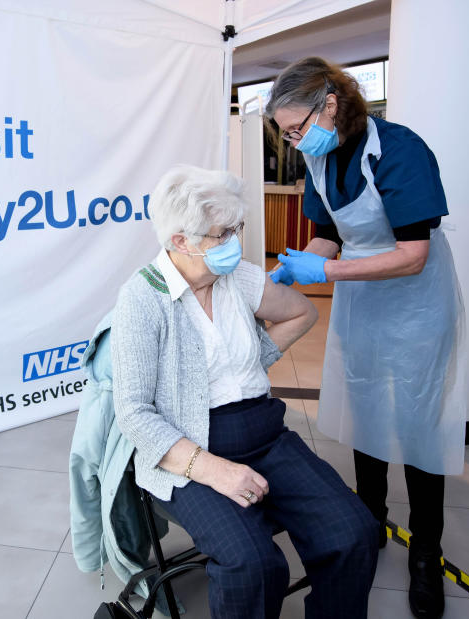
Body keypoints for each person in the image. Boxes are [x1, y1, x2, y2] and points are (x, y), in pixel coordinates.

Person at [111, 164, 378, 619]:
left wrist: (256, 356)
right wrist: (216, 471)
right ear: (180, 241)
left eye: (237, 228)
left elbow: (301, 315)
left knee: (354, 531)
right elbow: (134, 413)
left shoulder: (242, 278)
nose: (234, 242)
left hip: (265, 434)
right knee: (252, 563)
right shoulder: (143, 298)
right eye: (222, 234)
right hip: (188, 450)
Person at [265, 57, 466, 619]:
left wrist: (324, 273)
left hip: (417, 301)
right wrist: (299, 264)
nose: (294, 141)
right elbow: (330, 232)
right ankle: (369, 521)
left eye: (296, 128)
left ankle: (427, 552)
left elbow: (412, 254)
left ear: (329, 104)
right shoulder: (319, 157)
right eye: (285, 134)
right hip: (363, 300)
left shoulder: (398, 149)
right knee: (367, 406)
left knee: (419, 420)